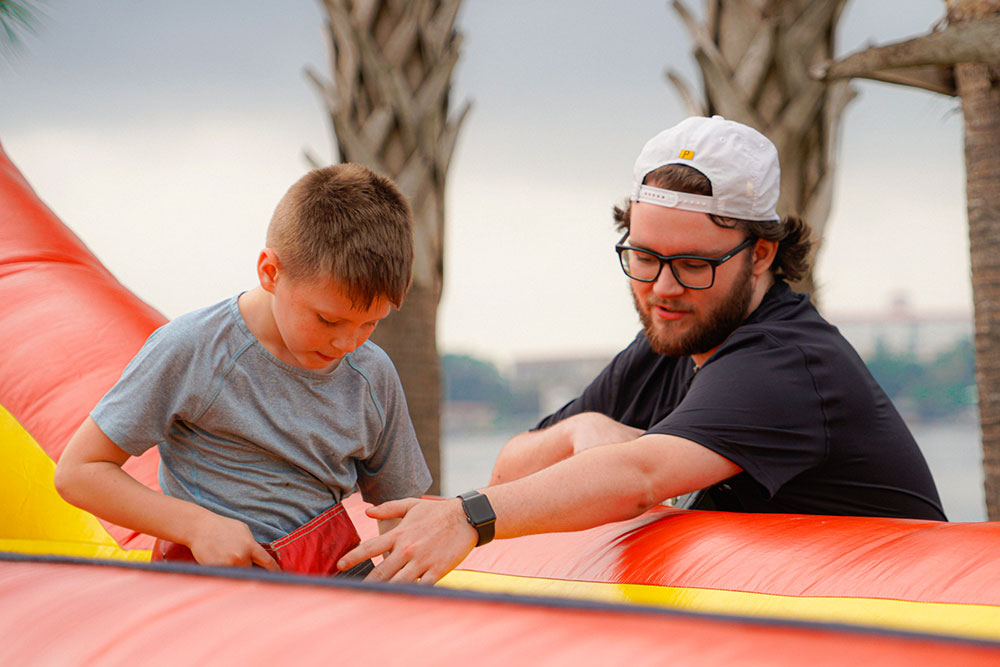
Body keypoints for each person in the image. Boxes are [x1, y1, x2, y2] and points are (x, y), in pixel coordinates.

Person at [336, 115, 946, 584]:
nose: (663, 289)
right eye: (645, 258)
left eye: (693, 265)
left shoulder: (788, 362)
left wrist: (467, 518)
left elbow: (637, 474)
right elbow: (514, 468)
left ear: (761, 254)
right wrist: (584, 430)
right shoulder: (676, 333)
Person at [55, 163, 431, 576]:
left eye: (370, 323)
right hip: (214, 585)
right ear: (270, 273)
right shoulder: (194, 348)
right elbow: (78, 472)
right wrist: (197, 526)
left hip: (329, 584)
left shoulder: (372, 375)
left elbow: (400, 511)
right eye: (328, 320)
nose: (347, 344)